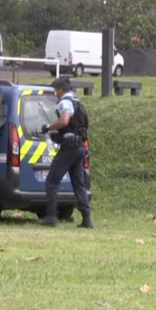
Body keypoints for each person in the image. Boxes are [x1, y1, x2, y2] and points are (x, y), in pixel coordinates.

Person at [39, 77, 92, 228]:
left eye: (56, 91)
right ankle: (87, 219)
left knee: (51, 180)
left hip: (69, 148)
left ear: (61, 90)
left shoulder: (65, 102)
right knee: (79, 184)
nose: (55, 94)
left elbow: (64, 121)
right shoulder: (77, 101)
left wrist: (49, 126)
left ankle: (51, 216)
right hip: (80, 146)